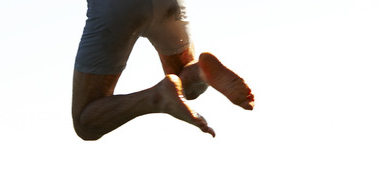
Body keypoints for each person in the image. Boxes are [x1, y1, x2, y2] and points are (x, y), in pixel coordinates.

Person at [71, 0, 254, 140]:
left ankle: (156, 97)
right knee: (186, 85)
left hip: (116, 7)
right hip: (168, 3)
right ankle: (198, 72)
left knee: (86, 122)